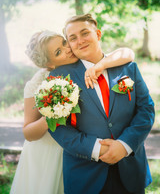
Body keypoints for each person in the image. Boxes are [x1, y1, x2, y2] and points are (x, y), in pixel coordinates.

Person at [10, 30, 135, 194]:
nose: (68, 49)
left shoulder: (85, 60)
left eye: (63, 42)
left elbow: (127, 53)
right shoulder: (38, 83)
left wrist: (101, 65)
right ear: (49, 65)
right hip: (51, 152)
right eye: (58, 52)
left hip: (81, 146)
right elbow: (28, 133)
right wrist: (51, 114)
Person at [49, 14, 155, 194]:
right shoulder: (58, 78)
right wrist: (96, 148)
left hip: (130, 168)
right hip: (85, 174)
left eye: (85, 33)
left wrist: (125, 145)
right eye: (72, 38)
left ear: (98, 34)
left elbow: (146, 110)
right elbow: (57, 127)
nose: (80, 41)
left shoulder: (128, 68)